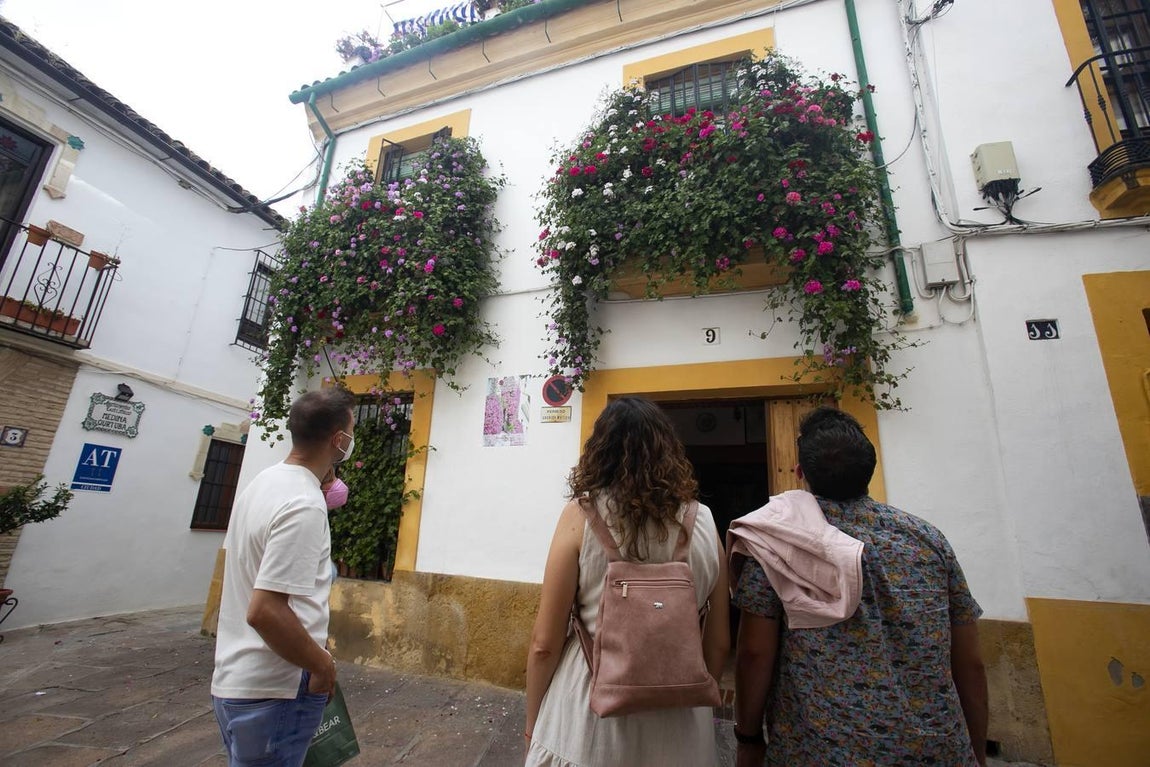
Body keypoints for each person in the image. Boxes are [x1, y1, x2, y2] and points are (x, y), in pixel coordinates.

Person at [732, 406, 989, 767]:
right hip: (935, 750)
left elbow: (754, 654)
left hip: (817, 750)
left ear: (800, 473)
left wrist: (748, 736)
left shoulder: (778, 544)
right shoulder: (928, 541)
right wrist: (975, 751)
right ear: (870, 471)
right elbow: (971, 663)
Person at [525, 396, 730, 767]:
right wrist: (685, 690)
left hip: (586, 720)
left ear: (599, 450)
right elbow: (718, 643)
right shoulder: (704, 520)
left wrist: (531, 725)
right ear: (668, 448)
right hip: (681, 730)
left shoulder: (579, 516)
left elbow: (544, 644)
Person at [211, 387, 357, 767]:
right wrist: (321, 664)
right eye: (351, 432)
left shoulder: (260, 484)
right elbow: (265, 611)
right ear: (338, 439)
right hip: (276, 687)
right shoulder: (304, 505)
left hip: (239, 680)